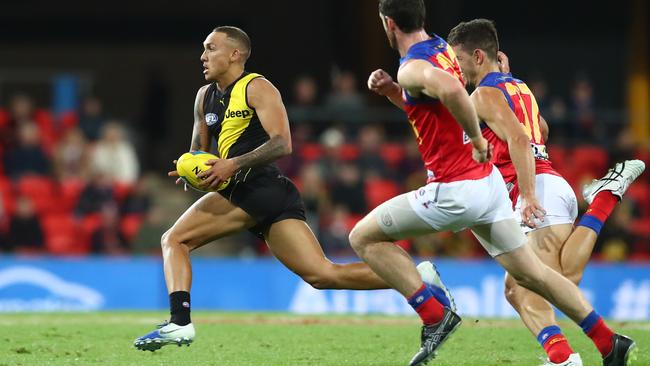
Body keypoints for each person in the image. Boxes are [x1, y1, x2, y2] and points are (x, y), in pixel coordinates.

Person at [353, 1, 636, 365]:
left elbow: (455, 96)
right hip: (492, 188)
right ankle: (607, 341)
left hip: (455, 190)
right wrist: (395, 92)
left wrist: (477, 137)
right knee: (532, 277)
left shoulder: (413, 67)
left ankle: (433, 314)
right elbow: (440, 108)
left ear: (388, 24)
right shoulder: (442, 50)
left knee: (362, 237)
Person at [133, 26, 445, 351]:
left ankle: (179, 322)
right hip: (265, 194)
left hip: (256, 186)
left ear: (235, 54)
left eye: (211, 48)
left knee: (174, 239)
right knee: (323, 275)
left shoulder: (257, 87)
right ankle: (416, 278)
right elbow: (199, 152)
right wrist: (191, 170)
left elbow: (283, 142)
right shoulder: (204, 97)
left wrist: (232, 164)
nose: (203, 56)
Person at [446, 19, 645, 366]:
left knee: (554, 280)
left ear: (478, 56)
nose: (455, 67)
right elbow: (542, 130)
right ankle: (562, 354)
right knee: (518, 286)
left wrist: (527, 195)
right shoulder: (518, 88)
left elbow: (521, 139)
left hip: (537, 187)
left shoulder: (482, 95)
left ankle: (604, 199)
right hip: (548, 183)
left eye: (458, 59)